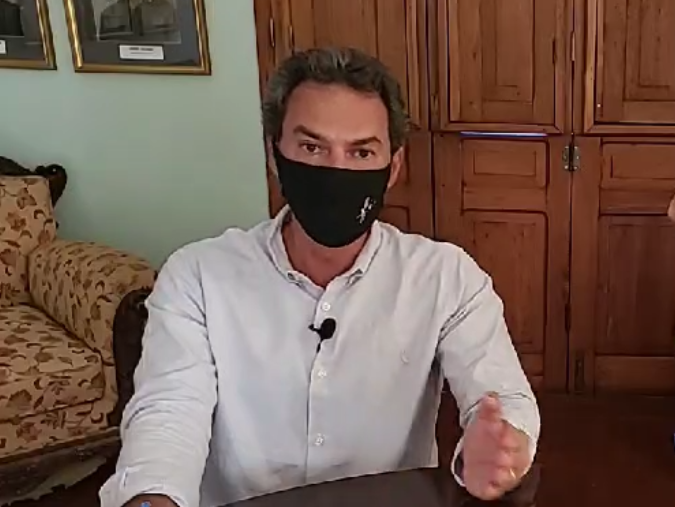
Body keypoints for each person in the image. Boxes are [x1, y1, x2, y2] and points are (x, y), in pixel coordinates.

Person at [100, 47, 540, 507]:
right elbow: (167, 414)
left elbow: (502, 398)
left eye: (361, 151)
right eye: (312, 148)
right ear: (274, 154)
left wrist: (500, 448)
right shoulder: (197, 277)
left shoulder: (446, 277)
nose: (336, 171)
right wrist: (151, 498)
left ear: (393, 168)